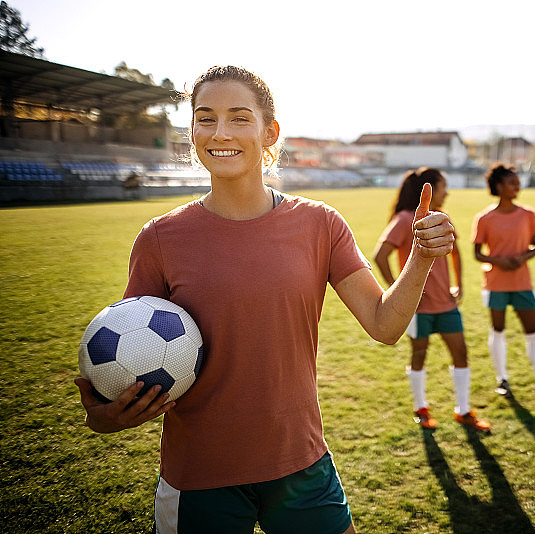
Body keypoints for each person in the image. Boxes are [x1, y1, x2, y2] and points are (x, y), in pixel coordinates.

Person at [74, 65, 456, 534]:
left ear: (269, 131)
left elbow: (384, 324)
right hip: (199, 476)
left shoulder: (320, 223)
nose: (220, 132)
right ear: (192, 130)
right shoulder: (160, 239)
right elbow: (129, 360)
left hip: (301, 463)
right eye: (205, 118)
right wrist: (107, 416)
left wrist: (421, 256)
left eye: (239, 117)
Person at [374, 168, 490, 433]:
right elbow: (380, 255)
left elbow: (456, 251)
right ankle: (421, 408)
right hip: (418, 309)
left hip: (446, 305)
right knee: (420, 355)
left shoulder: (441, 217)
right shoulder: (405, 219)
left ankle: (463, 410)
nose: (447, 192)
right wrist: (400, 290)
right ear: (429, 189)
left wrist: (458, 285)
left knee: (461, 352)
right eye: (443, 186)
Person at [471, 164, 535, 409]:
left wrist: (522, 258)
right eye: (512, 182)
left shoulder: (528, 214)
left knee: (533, 330)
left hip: (522, 283)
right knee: (498, 330)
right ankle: (502, 379)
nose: (517, 186)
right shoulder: (484, 218)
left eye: (518, 182)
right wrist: (499, 261)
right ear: (499, 186)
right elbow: (477, 254)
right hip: (495, 284)